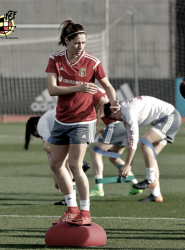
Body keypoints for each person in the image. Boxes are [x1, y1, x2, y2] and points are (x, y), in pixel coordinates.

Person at [46, 19, 119, 226]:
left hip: (83, 121)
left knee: (75, 165)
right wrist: (78, 87)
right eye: (77, 43)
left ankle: (85, 212)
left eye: (84, 43)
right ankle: (71, 208)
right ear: (67, 41)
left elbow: (108, 86)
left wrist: (114, 103)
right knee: (55, 164)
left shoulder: (92, 62)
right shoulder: (55, 59)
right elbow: (52, 89)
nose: (81, 47)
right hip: (61, 120)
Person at [103, 96, 182, 202]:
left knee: (145, 142)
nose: (116, 120)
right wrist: (128, 164)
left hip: (170, 117)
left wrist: (127, 165)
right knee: (151, 157)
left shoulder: (129, 112)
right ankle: (156, 194)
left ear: (114, 110)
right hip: (162, 121)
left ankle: (150, 180)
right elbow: (130, 141)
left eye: (113, 118)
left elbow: (134, 139)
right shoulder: (124, 114)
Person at [89, 90, 142, 197]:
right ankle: (135, 185)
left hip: (116, 126)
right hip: (123, 126)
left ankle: (98, 187)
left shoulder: (97, 99)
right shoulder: (105, 96)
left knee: (95, 153)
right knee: (114, 157)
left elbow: (97, 116)